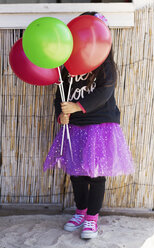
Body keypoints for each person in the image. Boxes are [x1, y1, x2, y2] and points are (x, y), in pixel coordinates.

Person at [43, 11, 134, 239]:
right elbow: (60, 96)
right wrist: (61, 115)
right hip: (74, 127)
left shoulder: (106, 65)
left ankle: (92, 217)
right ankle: (81, 211)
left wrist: (77, 106)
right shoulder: (68, 67)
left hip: (100, 125)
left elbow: (104, 93)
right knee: (76, 173)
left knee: (96, 174)